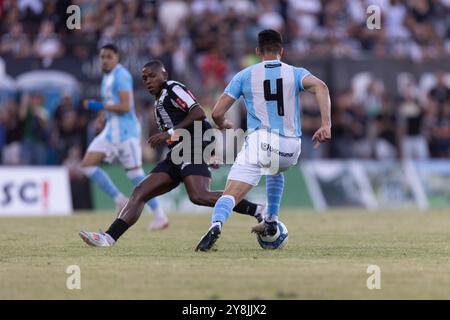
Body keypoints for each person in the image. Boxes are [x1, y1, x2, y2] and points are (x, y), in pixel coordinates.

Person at [79, 60, 265, 247]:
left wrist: (173, 136)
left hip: (193, 144)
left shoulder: (172, 88)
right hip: (178, 152)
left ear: (164, 75)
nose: (148, 81)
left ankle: (258, 209)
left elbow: (198, 112)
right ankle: (108, 238)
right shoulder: (159, 99)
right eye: (145, 78)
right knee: (140, 192)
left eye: (152, 76)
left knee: (198, 195)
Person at [195, 29, 332, 252]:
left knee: (231, 193)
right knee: (274, 170)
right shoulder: (295, 73)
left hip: (261, 142)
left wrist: (223, 125)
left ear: (258, 51)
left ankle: (216, 224)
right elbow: (321, 87)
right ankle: (270, 221)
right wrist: (326, 125)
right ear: (282, 51)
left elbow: (218, 112)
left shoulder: (245, 75)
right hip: (291, 148)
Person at [80, 44, 168, 231]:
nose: (104, 60)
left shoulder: (122, 76)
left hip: (126, 133)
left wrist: (98, 107)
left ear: (117, 58)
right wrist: (102, 117)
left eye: (109, 57)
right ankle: (119, 199)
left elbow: (126, 106)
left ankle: (160, 216)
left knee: (135, 175)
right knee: (87, 164)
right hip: (110, 131)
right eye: (102, 56)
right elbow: (110, 103)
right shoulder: (107, 77)